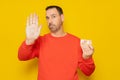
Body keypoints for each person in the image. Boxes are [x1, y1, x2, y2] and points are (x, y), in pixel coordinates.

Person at [18, 5, 95, 80]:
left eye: (53, 16)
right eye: (47, 18)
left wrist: (87, 58)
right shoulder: (41, 41)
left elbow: (88, 72)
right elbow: (22, 56)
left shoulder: (76, 42)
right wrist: (29, 40)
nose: (50, 21)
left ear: (62, 18)